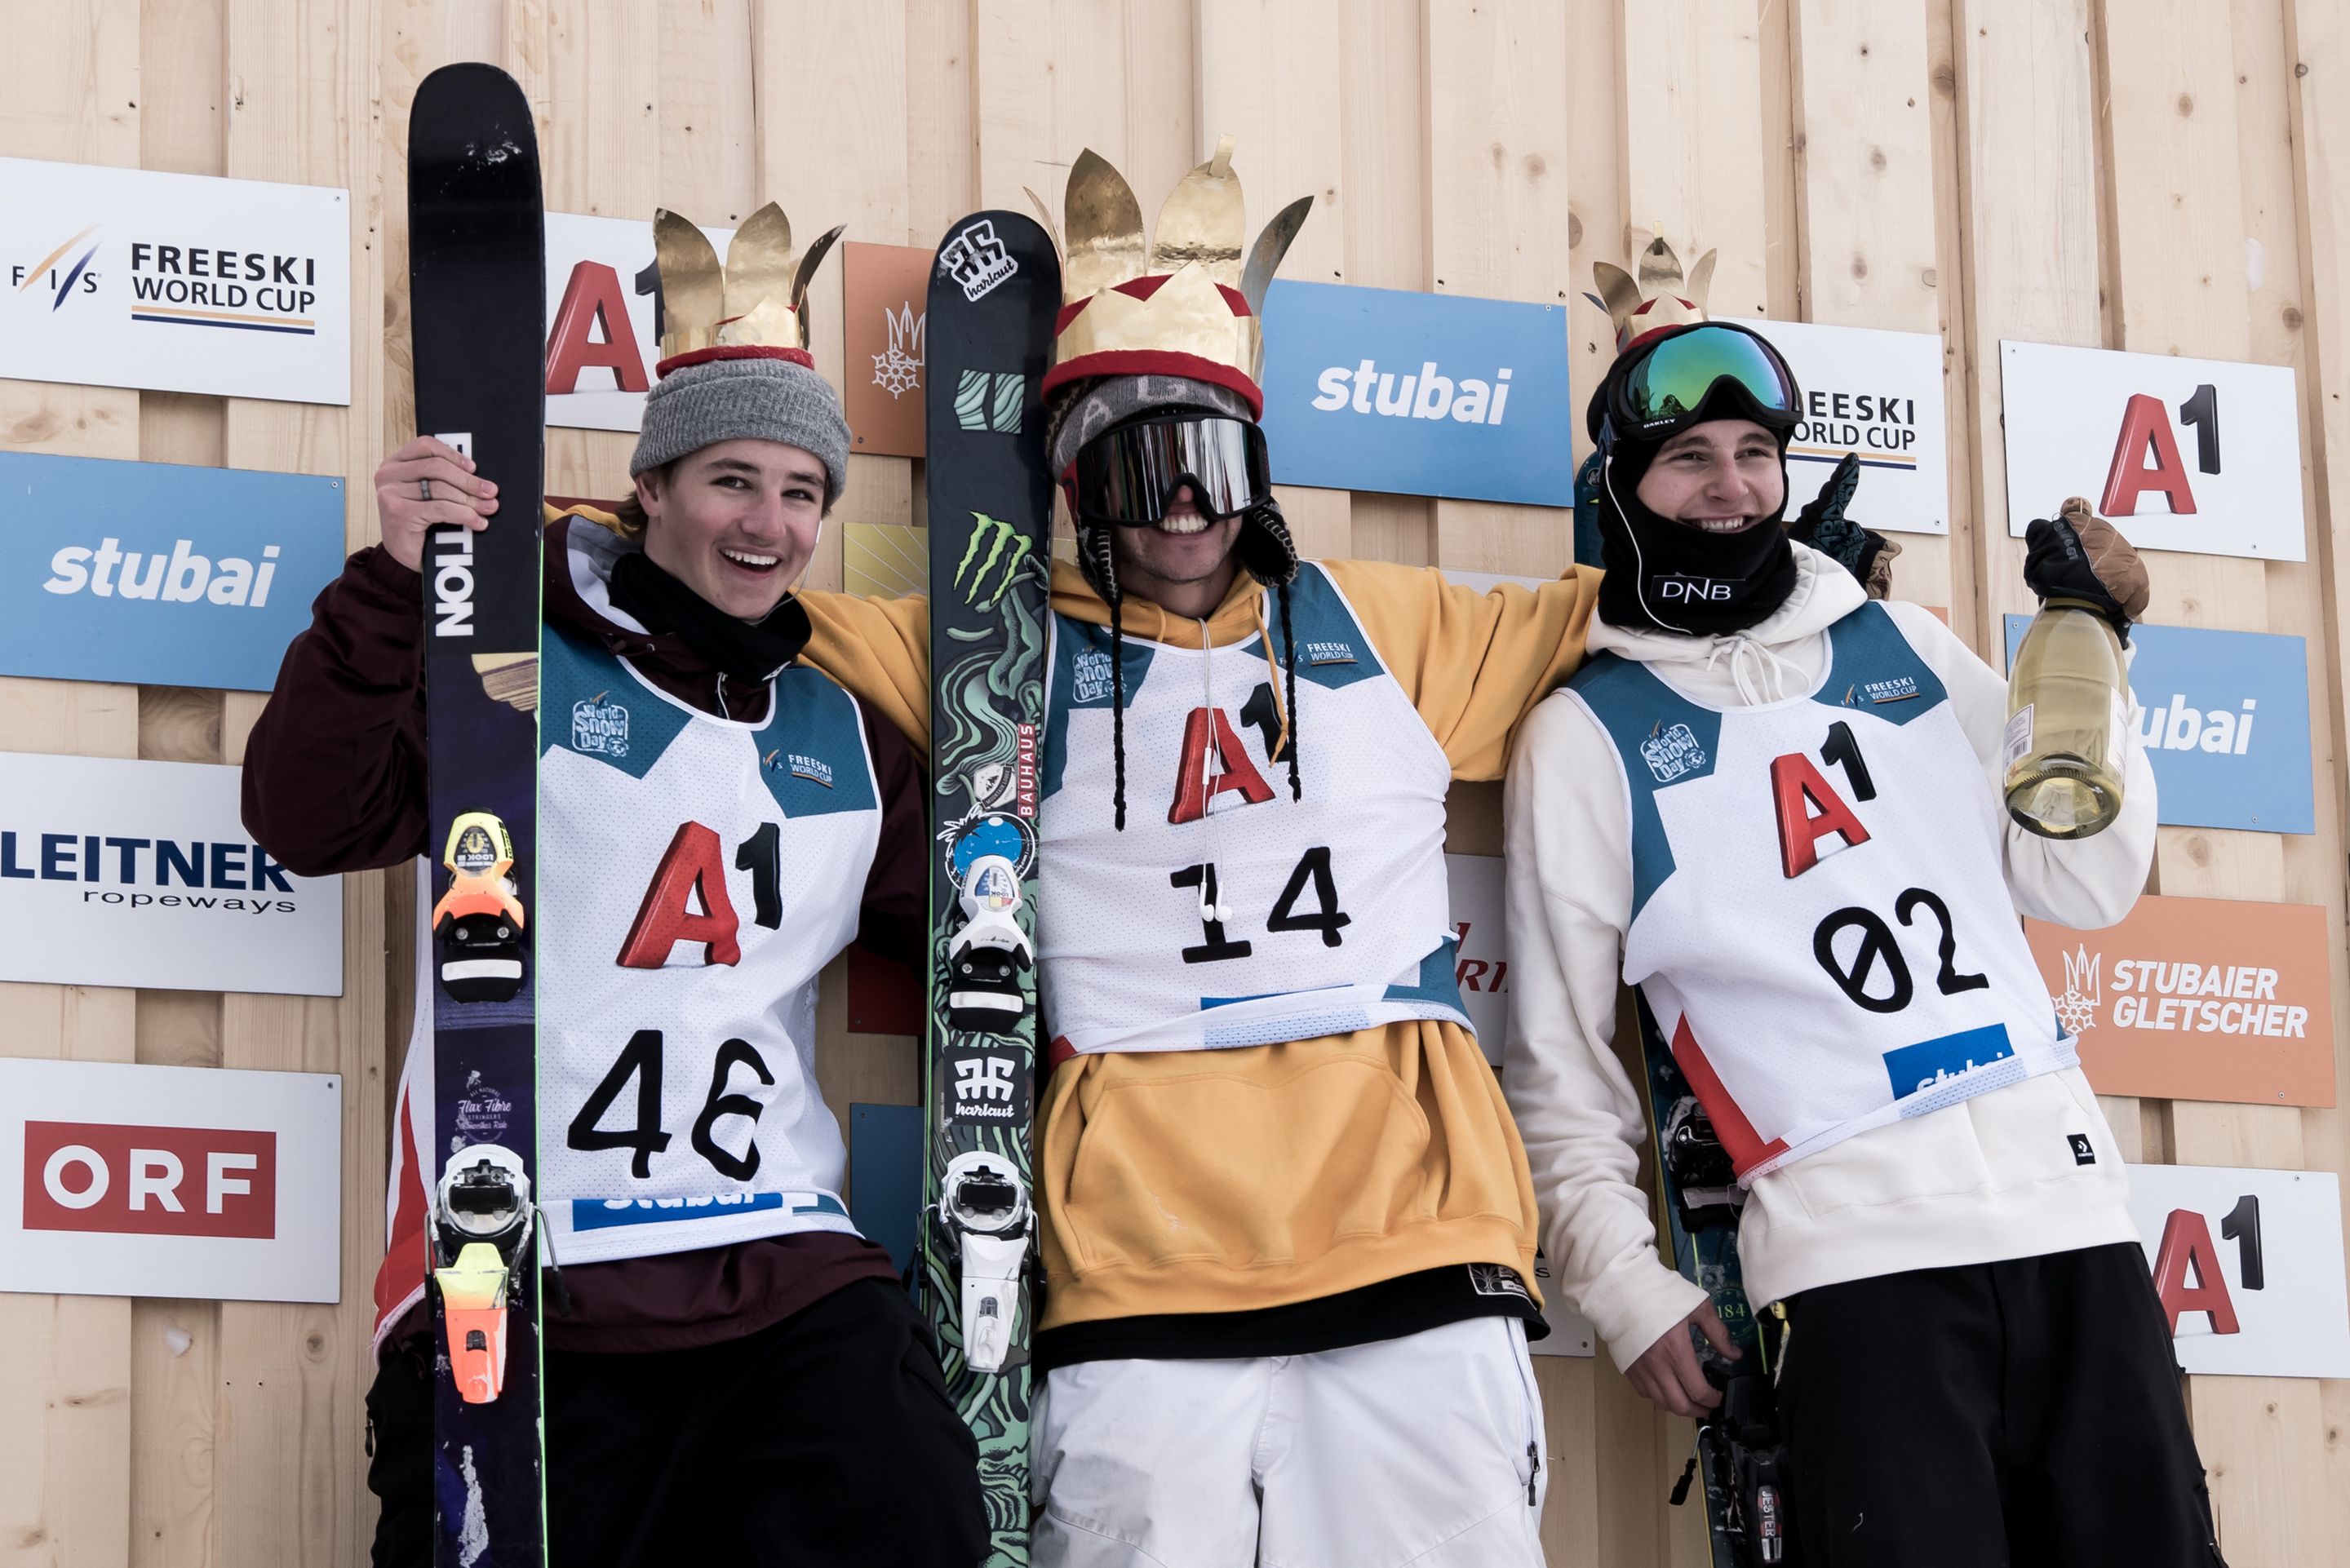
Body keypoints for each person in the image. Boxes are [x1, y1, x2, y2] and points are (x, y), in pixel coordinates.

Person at [742, 141, 1600, 1566]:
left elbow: (1623, 617)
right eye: (1139, 465)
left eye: (1207, 456)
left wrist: (1794, 562)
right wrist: (494, 544)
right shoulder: (993, 658)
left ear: (1252, 464)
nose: (1183, 504)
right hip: (1140, 1270)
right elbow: (723, 607)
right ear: (1079, 486)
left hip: (1412, 1244)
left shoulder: (1381, 628)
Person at [242, 204, 986, 1568]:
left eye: (803, 491)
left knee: (913, 1510)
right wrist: (402, 588)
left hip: (784, 1265)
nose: (769, 523)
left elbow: (969, 939)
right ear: (652, 488)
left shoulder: (843, 735)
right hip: (533, 1275)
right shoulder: (512, 663)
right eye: (731, 481)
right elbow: (306, 810)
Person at [1501, 273, 2224, 1564]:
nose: (1730, 488)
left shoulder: (1901, 645)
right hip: (1854, 1274)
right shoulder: (1586, 736)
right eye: (1689, 461)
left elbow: (2083, 880)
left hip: (2076, 1229)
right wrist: (1623, 1284)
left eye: (1755, 457)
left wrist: (2093, 646)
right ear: (1624, 485)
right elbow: (1561, 1066)